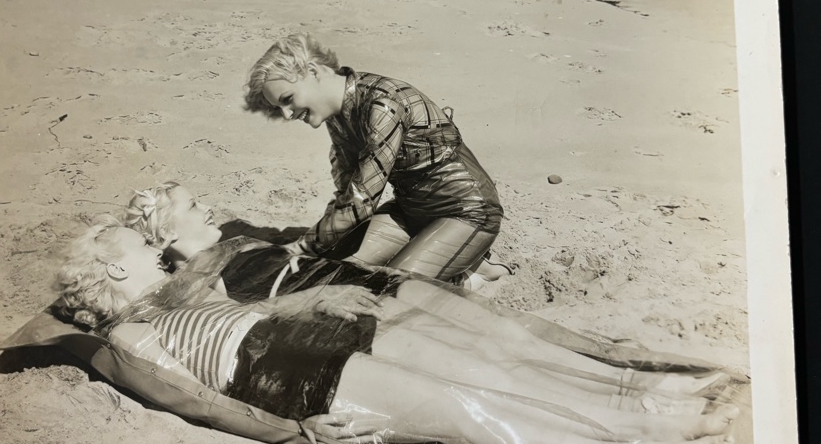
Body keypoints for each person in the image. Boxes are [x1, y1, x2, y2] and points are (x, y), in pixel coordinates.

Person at [53, 215, 738, 444]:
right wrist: (298, 429)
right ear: (115, 272)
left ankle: (654, 413)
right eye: (141, 249)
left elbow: (249, 298)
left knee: (486, 368)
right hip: (285, 373)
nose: (155, 252)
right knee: (467, 409)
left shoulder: (179, 297)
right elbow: (202, 402)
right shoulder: (130, 337)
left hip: (316, 330)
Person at [124, 181, 728, 410]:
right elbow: (236, 328)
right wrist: (307, 302)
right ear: (168, 234)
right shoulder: (193, 282)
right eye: (192, 206)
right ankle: (625, 403)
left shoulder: (240, 239)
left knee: (506, 336)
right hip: (347, 314)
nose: (208, 205)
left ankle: (636, 387)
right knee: (487, 360)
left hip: (368, 286)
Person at [243, 34, 506, 283]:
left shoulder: (383, 103)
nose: (287, 115)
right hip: (409, 212)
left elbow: (360, 203)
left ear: (313, 71)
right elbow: (346, 194)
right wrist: (311, 250)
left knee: (390, 286)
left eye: (287, 100)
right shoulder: (338, 118)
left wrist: (301, 246)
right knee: (330, 272)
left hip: (466, 213)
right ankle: (459, 259)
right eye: (280, 108)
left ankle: (470, 277)